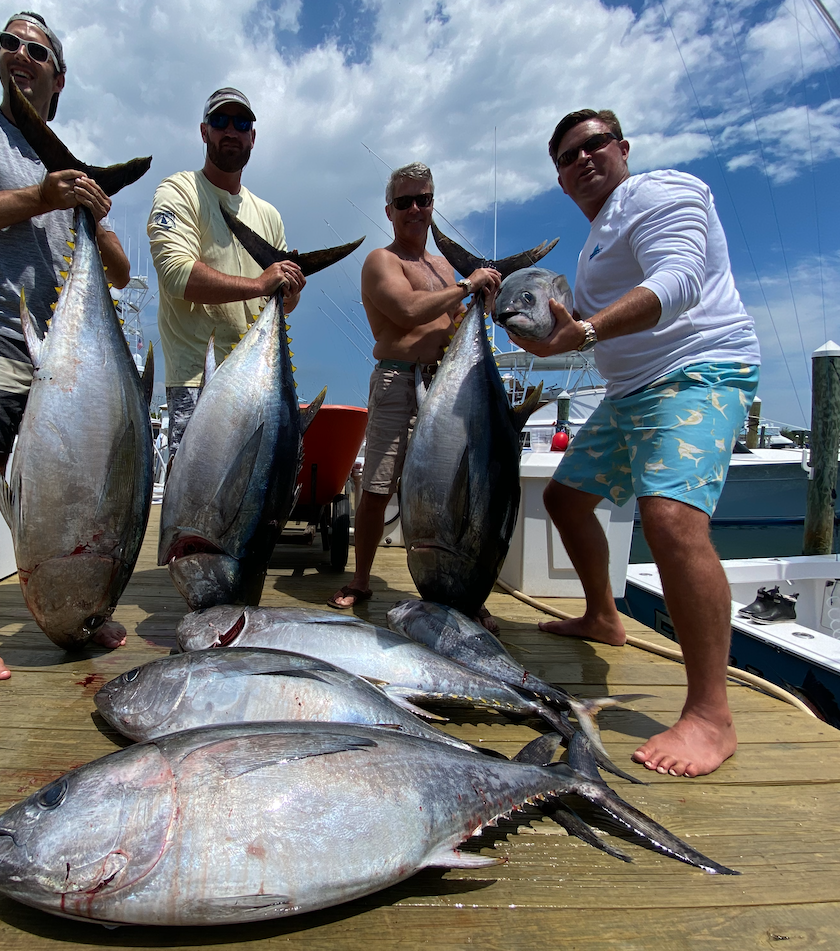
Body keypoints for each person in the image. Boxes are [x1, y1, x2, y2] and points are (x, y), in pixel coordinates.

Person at [512, 108, 760, 777]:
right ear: (561, 179)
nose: (583, 158)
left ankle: (711, 713)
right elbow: (586, 327)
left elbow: (679, 284)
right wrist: (550, 333)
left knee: (671, 518)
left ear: (622, 148)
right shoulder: (596, 242)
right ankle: (603, 616)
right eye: (567, 155)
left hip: (697, 373)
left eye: (594, 144)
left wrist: (582, 333)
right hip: (630, 396)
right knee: (565, 498)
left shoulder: (661, 193)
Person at [0, 12, 131, 684]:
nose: (20, 55)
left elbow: (120, 272)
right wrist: (38, 195)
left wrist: (90, 210)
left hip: (71, 360)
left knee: (84, 487)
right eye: (9, 43)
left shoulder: (64, 171)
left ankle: (85, 606)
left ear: (57, 75)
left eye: (36, 49)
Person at [328, 163, 502, 626]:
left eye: (423, 199)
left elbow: (452, 322)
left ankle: (462, 585)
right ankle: (362, 578)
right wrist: (468, 286)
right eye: (404, 202)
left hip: (446, 385)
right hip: (397, 381)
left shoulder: (446, 267)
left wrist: (481, 303)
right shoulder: (382, 261)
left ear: (432, 205)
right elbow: (405, 312)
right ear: (389, 211)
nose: (415, 209)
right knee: (378, 487)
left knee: (448, 490)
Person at [147, 88, 306, 459]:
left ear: (253, 136)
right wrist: (260, 284)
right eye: (220, 121)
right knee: (195, 506)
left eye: (242, 123)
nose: (230, 130)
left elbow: (282, 305)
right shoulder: (179, 191)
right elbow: (177, 275)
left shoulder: (269, 216)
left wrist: (290, 291)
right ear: (204, 132)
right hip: (198, 381)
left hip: (261, 383)